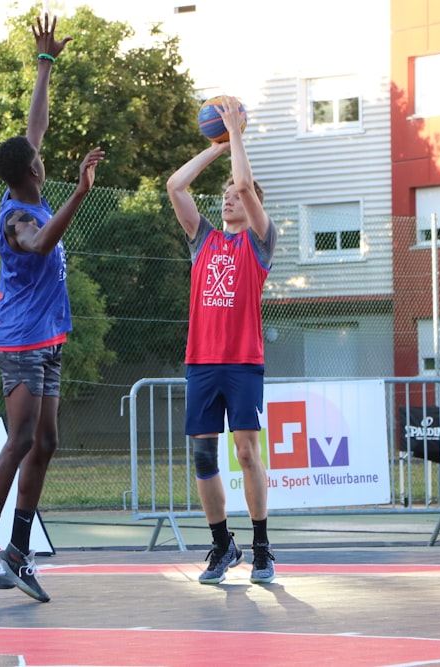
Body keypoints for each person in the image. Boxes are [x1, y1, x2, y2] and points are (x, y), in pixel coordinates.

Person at [0, 13, 104, 603]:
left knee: (46, 443)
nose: (41, 153)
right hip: (19, 338)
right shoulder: (17, 216)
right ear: (35, 172)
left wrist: (45, 64)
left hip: (46, 337)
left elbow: (33, 126)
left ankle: (18, 552)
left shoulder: (25, 179)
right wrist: (81, 193)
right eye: (39, 157)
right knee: (20, 439)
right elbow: (40, 244)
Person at [165, 96, 279, 585]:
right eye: (226, 192)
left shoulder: (260, 239)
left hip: (242, 363)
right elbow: (175, 185)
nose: (230, 196)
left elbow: (249, 185)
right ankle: (220, 546)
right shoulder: (203, 239)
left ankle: (262, 548)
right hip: (201, 362)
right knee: (204, 457)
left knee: (248, 453)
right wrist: (216, 144)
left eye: (237, 191)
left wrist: (236, 136)